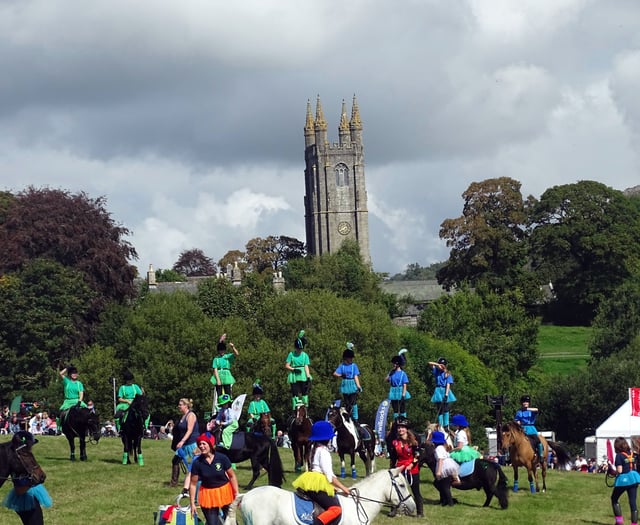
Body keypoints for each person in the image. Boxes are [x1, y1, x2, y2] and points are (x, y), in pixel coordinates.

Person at [292, 421, 351, 525]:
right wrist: (344, 488)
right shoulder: (323, 452)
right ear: (327, 438)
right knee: (336, 509)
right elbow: (329, 476)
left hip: (309, 480)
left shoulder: (313, 448)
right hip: (318, 482)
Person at [2, 431, 52, 525]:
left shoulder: (24, 459)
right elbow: (19, 490)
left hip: (32, 495)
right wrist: (32, 482)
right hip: (26, 498)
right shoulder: (17, 466)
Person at [189, 433, 239, 525]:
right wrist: (192, 503)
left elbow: (232, 476)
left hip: (225, 492)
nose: (201, 446)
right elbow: (192, 484)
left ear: (210, 445)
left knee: (232, 522)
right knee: (212, 523)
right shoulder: (197, 463)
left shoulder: (222, 458)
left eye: (204, 444)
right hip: (208, 494)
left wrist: (236, 493)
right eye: (200, 444)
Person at [387, 417, 424, 518]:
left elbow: (418, 454)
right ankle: (393, 509)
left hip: (412, 467)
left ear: (406, 429)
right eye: (399, 428)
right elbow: (394, 456)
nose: (400, 430)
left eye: (403, 427)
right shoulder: (395, 442)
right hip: (399, 467)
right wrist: (392, 468)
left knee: (415, 490)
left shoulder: (414, 441)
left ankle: (420, 512)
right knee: (395, 489)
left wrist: (411, 464)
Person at [173, 398, 200, 496]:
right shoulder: (182, 416)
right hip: (184, 444)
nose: (179, 406)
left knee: (192, 466)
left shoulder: (191, 415)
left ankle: (188, 487)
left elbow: (189, 430)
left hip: (192, 443)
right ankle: (174, 482)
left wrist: (182, 441)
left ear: (186, 406)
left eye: (180, 404)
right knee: (175, 460)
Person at [611, 436, 640, 525]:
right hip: (634, 478)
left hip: (624, 480)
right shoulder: (632, 454)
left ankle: (619, 521)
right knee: (632, 502)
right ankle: (634, 524)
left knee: (614, 498)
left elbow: (619, 470)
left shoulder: (619, 456)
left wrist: (612, 472)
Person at [333, 342, 363, 423]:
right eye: (350, 358)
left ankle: (355, 418)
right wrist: (341, 375)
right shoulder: (342, 366)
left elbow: (355, 376)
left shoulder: (354, 366)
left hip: (352, 384)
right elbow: (335, 373)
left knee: (353, 402)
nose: (351, 359)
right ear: (346, 358)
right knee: (347, 403)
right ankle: (347, 417)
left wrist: (358, 386)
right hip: (345, 385)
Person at [285, 330, 312, 410]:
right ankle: (295, 408)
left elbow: (306, 366)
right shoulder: (291, 354)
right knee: (295, 392)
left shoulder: (305, 355)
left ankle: (305, 407)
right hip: (294, 375)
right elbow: (287, 365)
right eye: (298, 349)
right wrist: (293, 369)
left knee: (304, 392)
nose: (299, 350)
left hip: (303, 374)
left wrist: (308, 376)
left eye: (300, 349)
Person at [428, 358, 456, 430]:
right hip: (438, 390)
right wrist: (438, 364)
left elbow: (448, 385)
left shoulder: (447, 374)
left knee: (445, 408)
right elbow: (430, 363)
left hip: (444, 390)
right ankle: (441, 424)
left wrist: (446, 395)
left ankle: (446, 425)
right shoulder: (437, 371)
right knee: (439, 409)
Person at [514, 395, 543, 460]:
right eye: (524, 402)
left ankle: (540, 455)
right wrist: (518, 424)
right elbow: (517, 420)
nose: (525, 403)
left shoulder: (531, 411)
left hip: (531, 428)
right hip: (522, 428)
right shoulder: (519, 412)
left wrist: (526, 409)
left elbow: (537, 410)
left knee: (538, 441)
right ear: (521, 403)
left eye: (527, 402)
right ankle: (512, 456)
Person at [386, 354, 410, 420]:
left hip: (400, 391)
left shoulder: (403, 373)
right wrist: (389, 374)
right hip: (393, 392)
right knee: (395, 409)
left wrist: (403, 395)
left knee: (402, 409)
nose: (393, 365)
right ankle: (395, 422)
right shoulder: (392, 372)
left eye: (395, 363)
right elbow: (386, 380)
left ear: (398, 364)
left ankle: (404, 420)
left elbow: (404, 385)